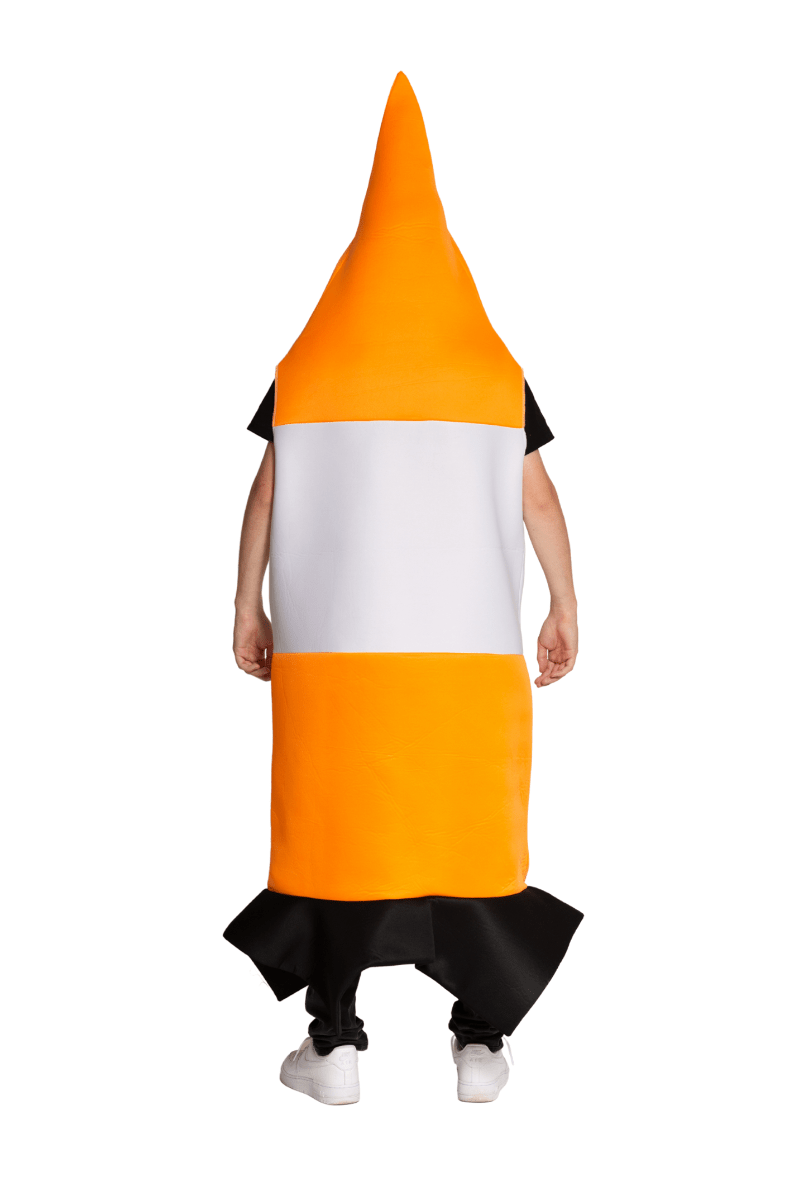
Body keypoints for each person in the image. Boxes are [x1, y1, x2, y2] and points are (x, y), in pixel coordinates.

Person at [225, 73, 582, 1106]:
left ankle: (333, 1047)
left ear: (354, 261)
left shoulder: (310, 366)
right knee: (466, 835)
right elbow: (538, 498)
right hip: (465, 658)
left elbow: (268, 490)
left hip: (336, 658)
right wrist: (563, 604)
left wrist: (246, 604)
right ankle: (478, 1043)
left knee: (342, 833)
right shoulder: (489, 372)